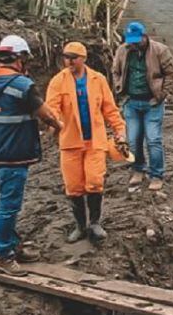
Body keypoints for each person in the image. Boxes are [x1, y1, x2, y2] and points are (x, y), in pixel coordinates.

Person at [0, 35, 63, 276]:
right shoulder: (22, 85)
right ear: (20, 58)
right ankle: (3, 255)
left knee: (9, 201)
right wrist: (59, 126)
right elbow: (46, 114)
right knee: (9, 205)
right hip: (15, 151)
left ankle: (12, 245)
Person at [47, 42, 127, 244]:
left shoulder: (98, 80)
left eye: (73, 57)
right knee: (73, 185)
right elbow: (52, 108)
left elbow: (110, 109)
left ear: (83, 58)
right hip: (70, 141)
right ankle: (80, 225)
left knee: (95, 181)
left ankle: (95, 223)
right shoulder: (58, 81)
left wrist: (120, 131)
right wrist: (52, 123)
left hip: (95, 140)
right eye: (66, 57)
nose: (69, 61)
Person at [111, 21, 173, 192]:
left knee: (153, 139)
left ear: (145, 37)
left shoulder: (160, 50)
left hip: (152, 102)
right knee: (133, 140)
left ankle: (157, 175)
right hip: (131, 102)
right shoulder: (123, 50)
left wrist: (162, 94)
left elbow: (170, 74)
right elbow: (115, 71)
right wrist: (119, 88)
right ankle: (138, 169)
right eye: (131, 41)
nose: (133, 44)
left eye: (136, 41)